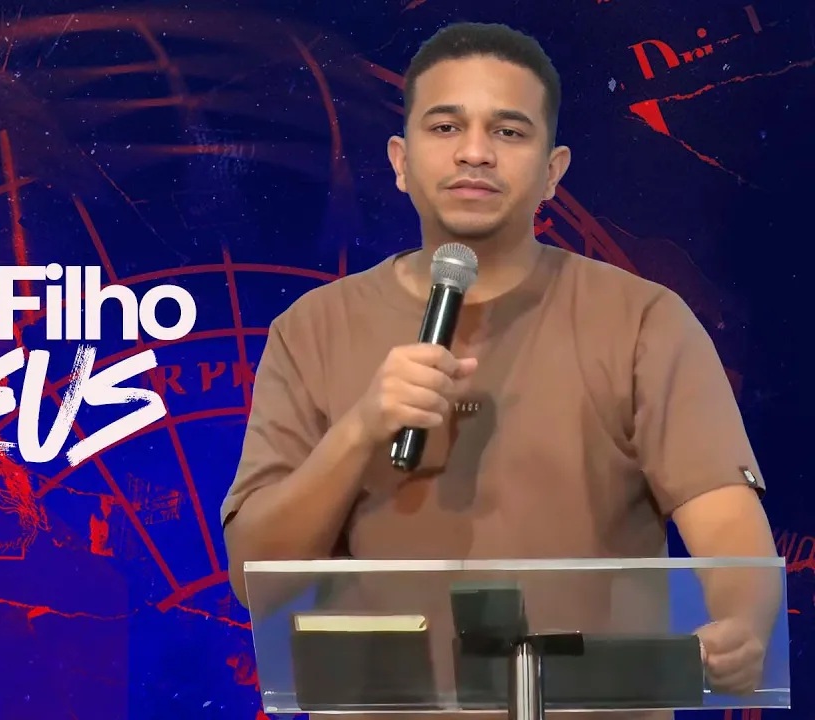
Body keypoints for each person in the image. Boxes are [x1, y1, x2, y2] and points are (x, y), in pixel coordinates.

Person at [221, 21, 779, 697]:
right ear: (400, 161)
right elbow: (254, 577)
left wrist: (741, 623)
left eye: (509, 131)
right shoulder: (310, 330)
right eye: (446, 127)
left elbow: (724, 519)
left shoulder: (644, 322)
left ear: (553, 172)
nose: (475, 153)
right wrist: (359, 429)